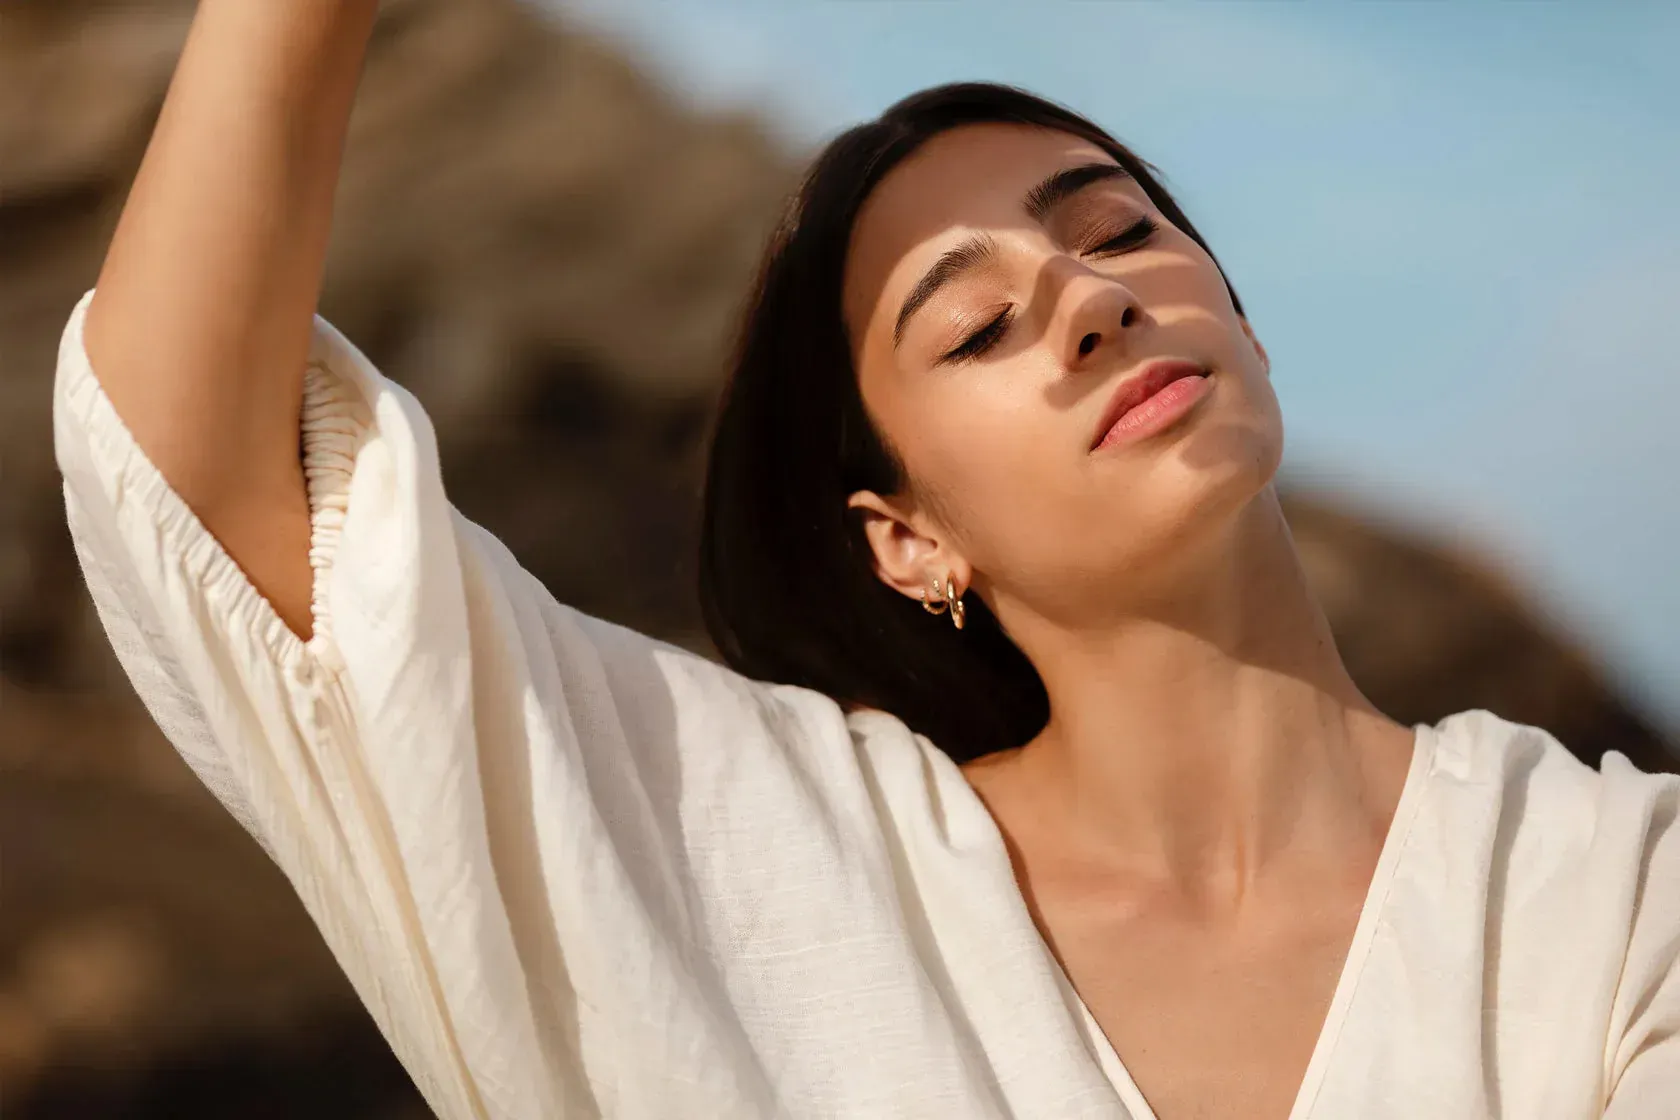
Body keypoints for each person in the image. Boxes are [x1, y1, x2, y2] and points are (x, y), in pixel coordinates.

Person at [50, 3, 1678, 1118]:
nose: (1089, 301)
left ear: (1240, 323)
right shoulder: (750, 855)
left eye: (1117, 231)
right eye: (974, 324)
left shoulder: (1612, 897)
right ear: (907, 542)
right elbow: (195, 482)